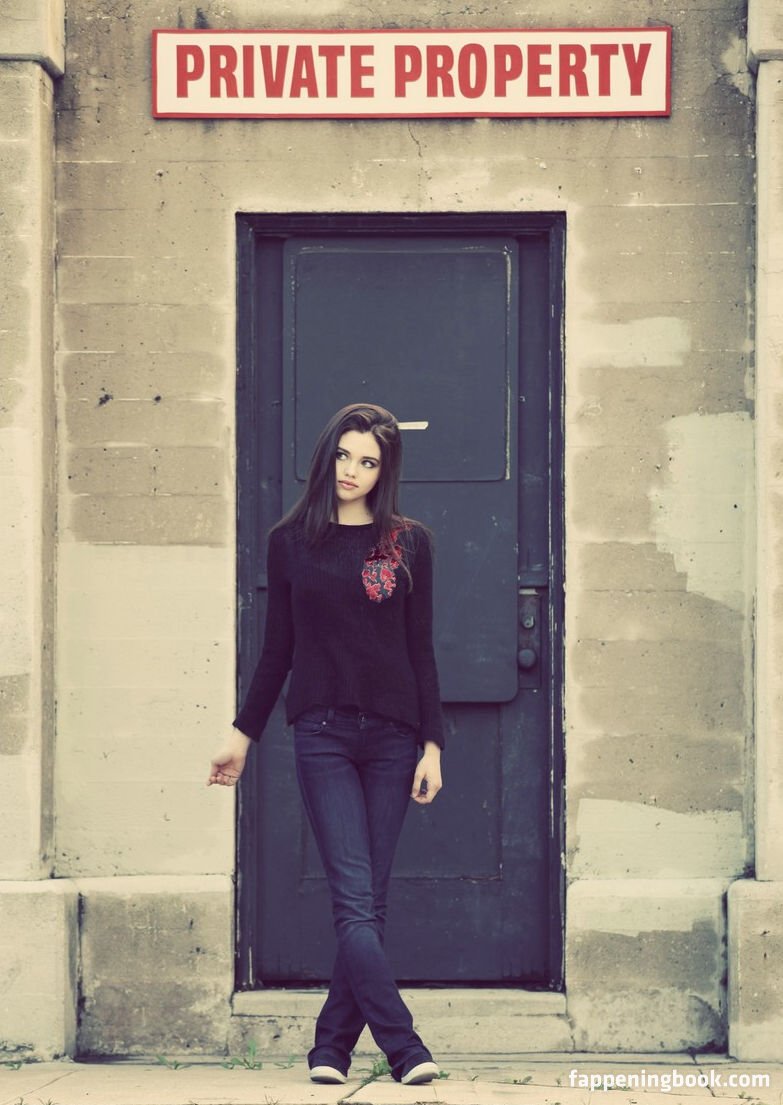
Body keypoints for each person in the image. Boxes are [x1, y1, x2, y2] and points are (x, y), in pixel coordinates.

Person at [207, 403, 445, 1087]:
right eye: (344, 455)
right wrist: (242, 735)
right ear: (326, 455)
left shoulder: (408, 543)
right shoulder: (290, 542)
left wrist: (432, 744)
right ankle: (404, 1048)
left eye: (368, 461)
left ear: (383, 471)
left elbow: (420, 649)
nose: (352, 471)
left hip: (395, 738)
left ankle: (330, 1048)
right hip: (323, 736)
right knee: (355, 901)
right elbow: (277, 649)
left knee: (368, 902)